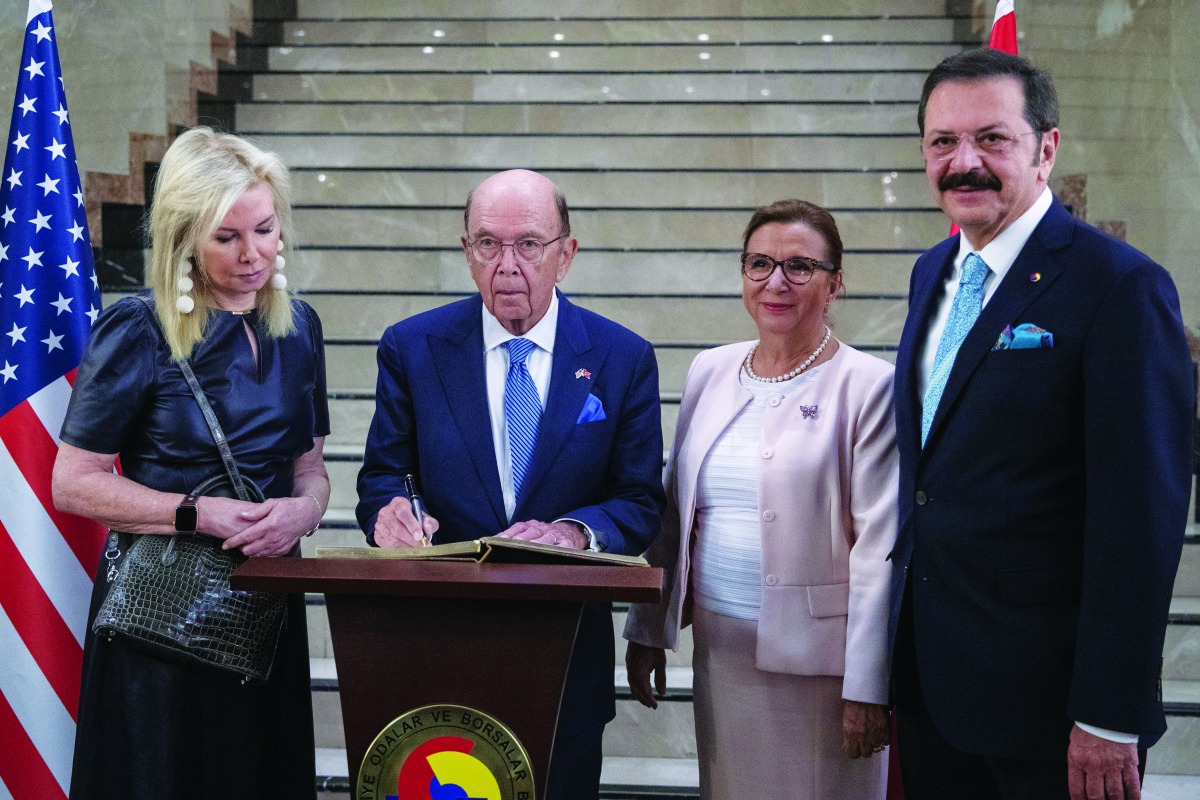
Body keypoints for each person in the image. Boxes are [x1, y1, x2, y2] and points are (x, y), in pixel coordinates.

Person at [889, 49, 1193, 800]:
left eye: (992, 139)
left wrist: (1109, 711)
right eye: (942, 142)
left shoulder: (1120, 287)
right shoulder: (932, 273)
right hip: (935, 691)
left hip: (1055, 715)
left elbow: (1141, 517)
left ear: (1046, 148)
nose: (964, 163)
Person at [355, 168, 666, 800]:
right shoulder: (413, 347)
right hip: (437, 642)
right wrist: (389, 513)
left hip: (564, 652)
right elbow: (383, 475)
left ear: (566, 254)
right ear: (466, 251)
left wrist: (575, 533)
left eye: (528, 244)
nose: (506, 264)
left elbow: (639, 501)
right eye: (487, 244)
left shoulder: (622, 357)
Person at [53, 127, 329, 800]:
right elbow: (72, 483)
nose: (253, 253)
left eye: (264, 229)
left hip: (265, 613)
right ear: (183, 239)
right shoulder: (139, 329)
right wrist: (192, 512)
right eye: (226, 237)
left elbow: (311, 472)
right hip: (161, 628)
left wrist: (302, 512)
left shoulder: (301, 328)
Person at [623, 199, 896, 799]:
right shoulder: (710, 371)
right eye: (760, 264)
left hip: (825, 668)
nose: (776, 281)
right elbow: (674, 514)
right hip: (721, 651)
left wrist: (869, 684)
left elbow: (881, 548)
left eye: (800, 266)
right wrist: (649, 624)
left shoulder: (869, 385)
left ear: (835, 284)